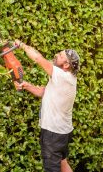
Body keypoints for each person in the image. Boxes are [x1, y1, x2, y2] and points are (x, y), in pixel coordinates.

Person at [14, 40, 80, 172]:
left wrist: (21, 45)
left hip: (53, 133)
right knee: (62, 163)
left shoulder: (62, 76)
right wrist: (27, 86)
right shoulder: (66, 78)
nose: (57, 55)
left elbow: (38, 58)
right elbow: (44, 92)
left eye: (60, 56)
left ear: (66, 64)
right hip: (63, 132)